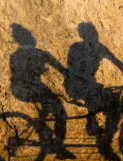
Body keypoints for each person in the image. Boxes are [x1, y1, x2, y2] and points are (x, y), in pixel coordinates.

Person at [64, 22, 123, 161]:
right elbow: (71, 70)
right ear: (82, 35)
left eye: (94, 33)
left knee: (110, 99)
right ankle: (103, 142)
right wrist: (88, 79)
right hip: (74, 84)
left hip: (90, 84)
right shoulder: (76, 48)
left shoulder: (99, 48)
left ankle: (94, 127)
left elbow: (115, 60)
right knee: (103, 97)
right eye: (89, 33)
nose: (93, 36)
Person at [10, 23, 75, 159]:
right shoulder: (40, 53)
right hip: (32, 88)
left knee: (48, 104)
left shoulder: (15, 55)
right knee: (60, 112)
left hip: (18, 90)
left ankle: (44, 130)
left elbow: (17, 73)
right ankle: (57, 146)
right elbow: (61, 69)